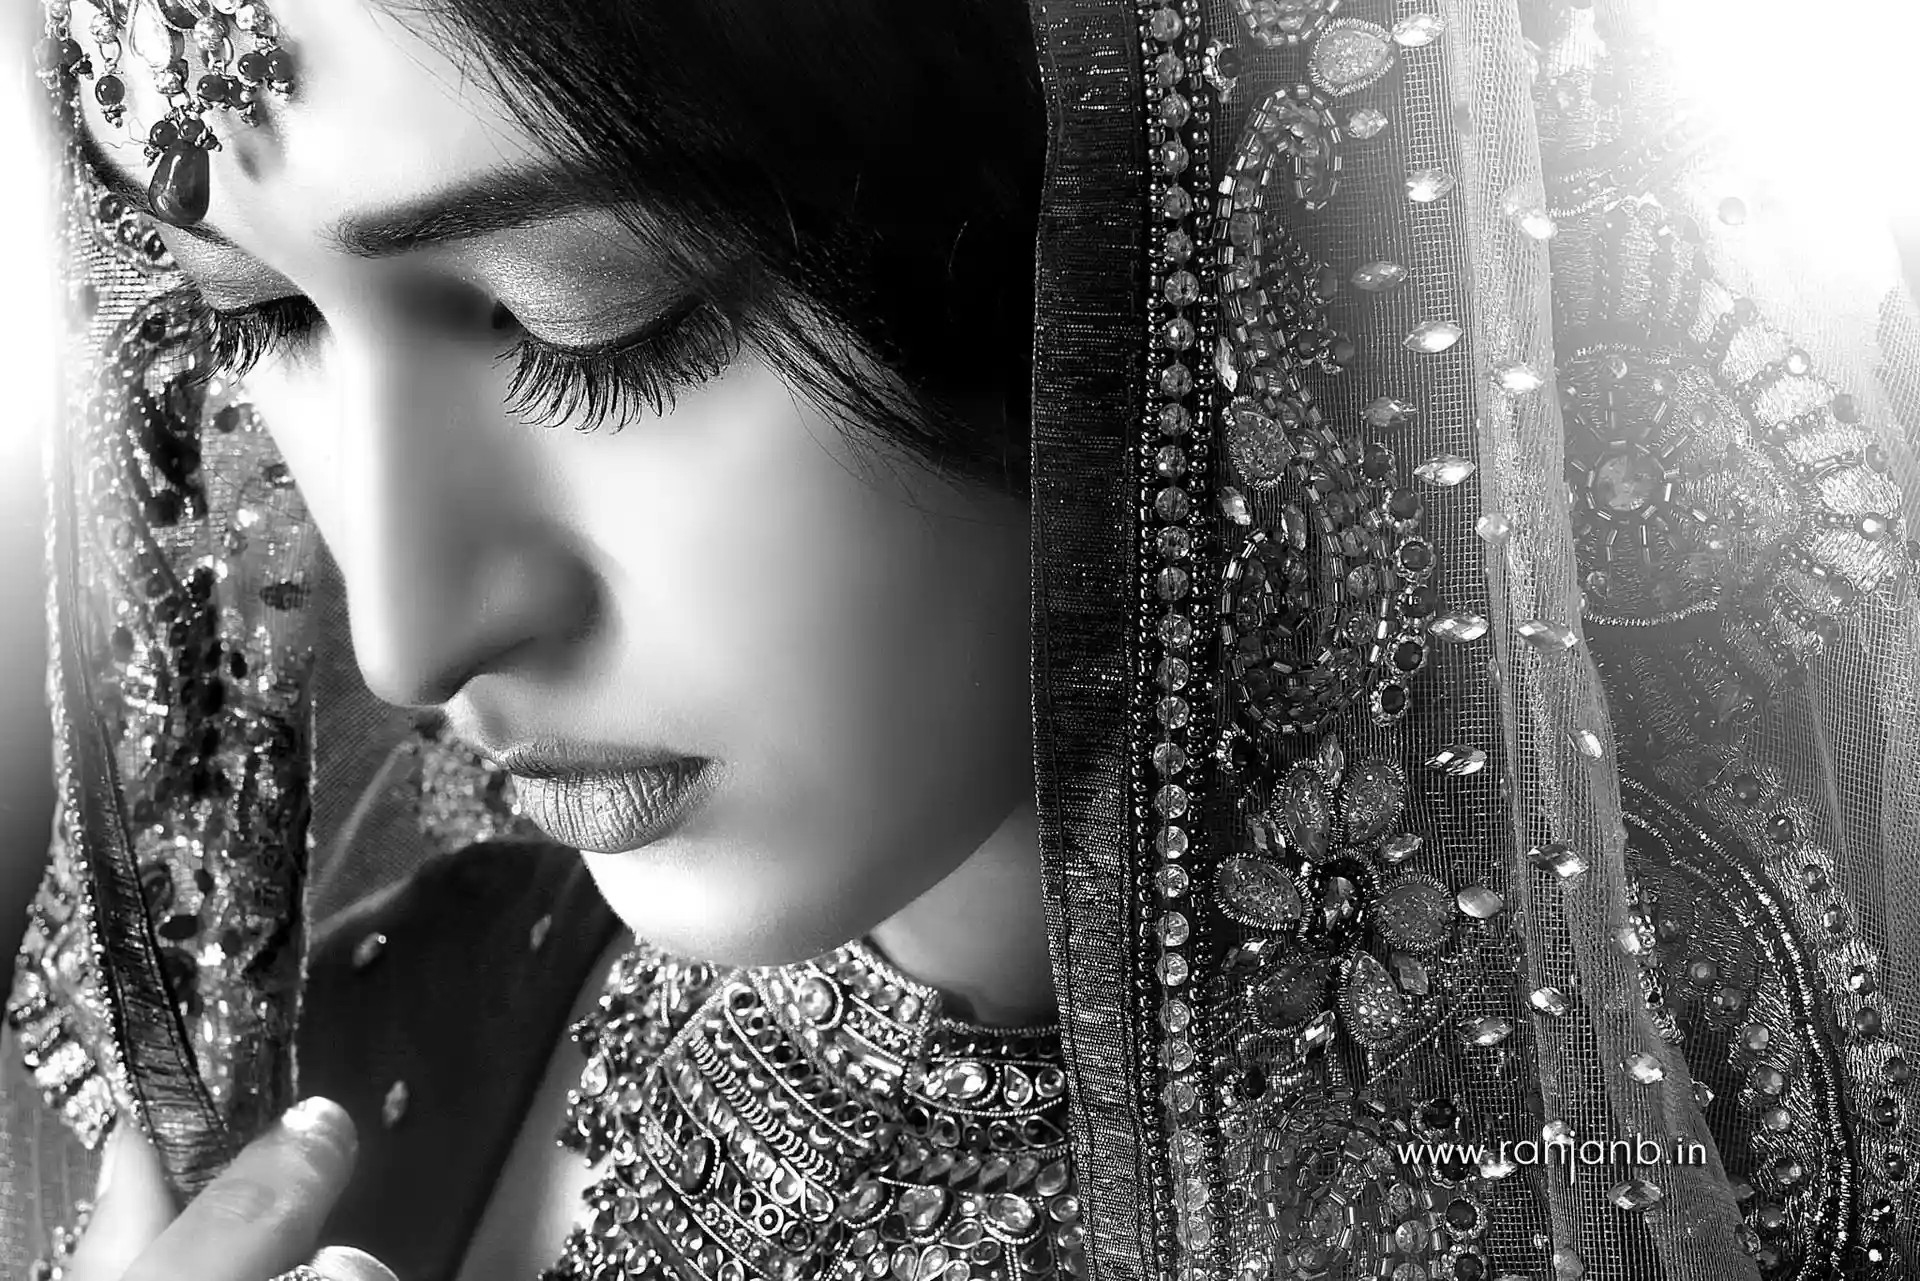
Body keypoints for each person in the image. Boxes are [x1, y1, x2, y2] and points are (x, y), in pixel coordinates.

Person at [4, 0, 1916, 1278]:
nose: (410, 627)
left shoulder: (1688, 1125)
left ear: (1148, 211)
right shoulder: (392, 1034)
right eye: (254, 322)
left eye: (584, 316)